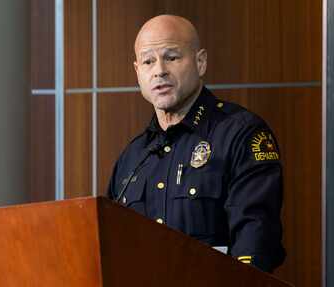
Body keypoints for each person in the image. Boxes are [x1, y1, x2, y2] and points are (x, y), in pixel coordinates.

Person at [107, 15, 285, 273]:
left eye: (171, 57)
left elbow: (255, 244)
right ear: (138, 72)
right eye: (148, 61)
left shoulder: (240, 134)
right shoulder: (132, 157)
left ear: (200, 62)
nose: (159, 70)